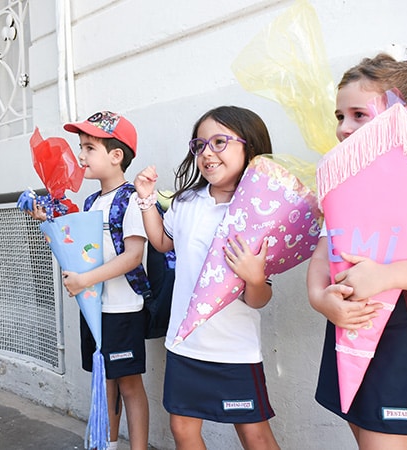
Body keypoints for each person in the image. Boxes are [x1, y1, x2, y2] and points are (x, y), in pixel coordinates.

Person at [307, 53, 407, 449]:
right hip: (344, 319)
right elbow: (325, 249)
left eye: (358, 114)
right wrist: (320, 298)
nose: (343, 128)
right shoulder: (341, 181)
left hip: (399, 326)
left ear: (400, 115)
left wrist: (387, 275)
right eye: (339, 116)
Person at [134, 105, 280, 450]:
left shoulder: (259, 211)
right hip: (185, 344)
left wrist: (254, 278)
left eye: (219, 142)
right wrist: (145, 200)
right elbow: (162, 242)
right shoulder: (186, 202)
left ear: (251, 148)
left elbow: (259, 298)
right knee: (183, 429)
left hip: (235, 350)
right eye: (199, 146)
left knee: (254, 435)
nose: (207, 154)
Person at [28, 111, 150, 450]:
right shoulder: (89, 202)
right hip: (95, 306)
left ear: (116, 155)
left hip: (123, 308)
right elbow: (79, 250)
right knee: (105, 380)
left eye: (89, 148)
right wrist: (49, 226)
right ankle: (107, 444)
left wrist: (85, 280)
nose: (80, 156)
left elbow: (132, 257)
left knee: (128, 383)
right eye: (81, 147)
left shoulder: (132, 199)